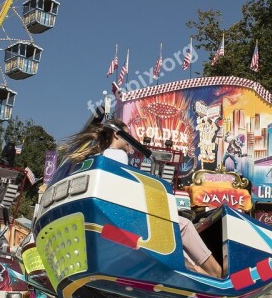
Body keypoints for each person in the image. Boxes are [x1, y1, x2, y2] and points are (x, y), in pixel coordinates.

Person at [65, 119, 223, 278]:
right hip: (128, 225)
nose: (130, 143)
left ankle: (207, 278)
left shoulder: (97, 159)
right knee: (183, 225)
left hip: (112, 226)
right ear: (116, 135)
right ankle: (217, 275)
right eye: (127, 135)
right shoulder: (116, 155)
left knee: (177, 248)